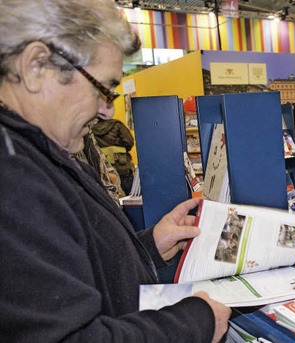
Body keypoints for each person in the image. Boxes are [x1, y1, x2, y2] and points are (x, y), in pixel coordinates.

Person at [0, 0, 230, 342]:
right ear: (36, 67)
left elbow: (63, 271)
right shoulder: (13, 175)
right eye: (103, 88)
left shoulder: (33, 152)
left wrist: (148, 247)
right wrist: (195, 320)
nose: (108, 111)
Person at [92, 117, 136, 194]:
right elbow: (129, 142)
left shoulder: (92, 130)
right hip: (122, 167)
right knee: (130, 194)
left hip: (106, 170)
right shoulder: (117, 125)